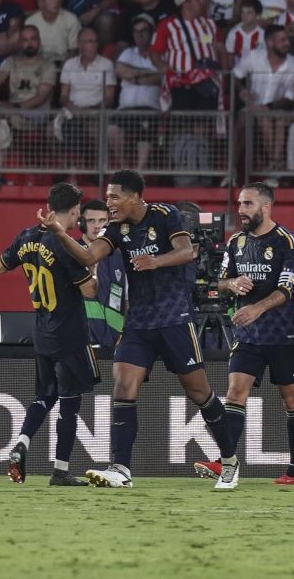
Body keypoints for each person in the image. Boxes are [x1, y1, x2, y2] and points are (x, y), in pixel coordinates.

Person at [36, 170, 237, 489]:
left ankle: (229, 462)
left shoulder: (166, 215)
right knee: (123, 386)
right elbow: (89, 256)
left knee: (199, 392)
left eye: (114, 197)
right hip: (139, 323)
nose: (109, 203)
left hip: (174, 319)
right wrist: (61, 234)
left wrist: (155, 261)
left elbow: (188, 252)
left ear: (134, 197)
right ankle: (121, 468)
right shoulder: (116, 228)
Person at [193, 183, 294, 485]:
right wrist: (231, 284)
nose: (240, 210)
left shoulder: (289, 242)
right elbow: (219, 281)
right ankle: (226, 462)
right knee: (234, 393)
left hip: (282, 334)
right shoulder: (236, 242)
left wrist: (258, 308)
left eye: (247, 204)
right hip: (247, 335)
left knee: (291, 398)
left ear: (265, 207)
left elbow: (287, 287)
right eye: (239, 204)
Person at [0, 182, 100, 487]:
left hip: (41, 331)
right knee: (70, 400)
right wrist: (92, 269)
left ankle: (22, 444)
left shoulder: (27, 236)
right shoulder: (64, 244)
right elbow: (90, 290)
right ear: (74, 211)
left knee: (44, 396)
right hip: (69, 333)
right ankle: (60, 470)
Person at [0, 25, 56, 192]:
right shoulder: (12, 61)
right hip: (13, 112)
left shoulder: (48, 65)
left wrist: (13, 107)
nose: (29, 43)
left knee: (4, 120)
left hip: (36, 113)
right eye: (25, 40)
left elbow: (40, 98)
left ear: (39, 41)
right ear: (20, 43)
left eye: (33, 39)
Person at [233, 24, 294, 175]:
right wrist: (242, 90)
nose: (287, 44)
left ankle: (274, 165)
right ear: (270, 43)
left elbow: (290, 97)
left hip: (281, 109)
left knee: (271, 119)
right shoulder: (253, 57)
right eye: (283, 40)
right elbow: (235, 76)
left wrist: (268, 107)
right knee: (242, 119)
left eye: (288, 40)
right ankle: (231, 170)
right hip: (253, 107)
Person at [110, 14, 162, 170]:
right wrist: (147, 74)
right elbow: (119, 70)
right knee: (112, 130)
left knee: (145, 130)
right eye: (136, 31)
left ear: (152, 33)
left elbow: (161, 77)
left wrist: (134, 76)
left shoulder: (160, 54)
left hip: (150, 110)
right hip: (125, 110)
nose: (139, 35)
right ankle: (124, 168)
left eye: (144, 31)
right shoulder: (128, 52)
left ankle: (139, 172)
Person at [59, 26, 116, 167]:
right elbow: (63, 96)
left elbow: (109, 97)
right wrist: (73, 108)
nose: (94, 45)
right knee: (52, 131)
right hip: (73, 112)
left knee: (98, 134)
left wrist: (91, 110)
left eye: (95, 42)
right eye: (89, 41)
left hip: (96, 113)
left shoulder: (106, 64)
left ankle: (97, 171)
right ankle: (67, 169)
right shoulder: (69, 64)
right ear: (79, 44)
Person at [78, 199, 128, 347]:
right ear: (81, 223)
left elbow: (128, 301)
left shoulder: (121, 257)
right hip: (81, 341)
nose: (97, 226)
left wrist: (125, 333)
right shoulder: (71, 254)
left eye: (102, 221)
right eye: (91, 221)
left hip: (115, 343)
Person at [26, 0, 81, 66]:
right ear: (40, 2)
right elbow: (28, 50)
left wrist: (66, 64)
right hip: (39, 64)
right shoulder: (30, 22)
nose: (56, 1)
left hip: (64, 64)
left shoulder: (71, 19)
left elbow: (75, 49)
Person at [224, 0, 264, 68]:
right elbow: (230, 55)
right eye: (242, 12)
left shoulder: (262, 34)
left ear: (258, 16)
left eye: (249, 13)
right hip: (238, 67)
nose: (244, 16)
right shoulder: (234, 32)